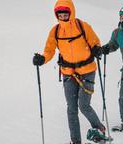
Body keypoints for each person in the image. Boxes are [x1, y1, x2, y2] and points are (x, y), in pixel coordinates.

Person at [32, 0, 105, 143]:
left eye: (66, 14)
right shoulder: (55, 31)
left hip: (87, 70)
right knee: (71, 108)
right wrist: (42, 59)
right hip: (68, 73)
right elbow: (49, 50)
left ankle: (99, 129)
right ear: (56, 15)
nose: (63, 16)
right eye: (60, 14)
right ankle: (75, 140)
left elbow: (94, 41)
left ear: (71, 13)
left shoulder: (82, 26)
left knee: (83, 105)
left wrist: (97, 48)